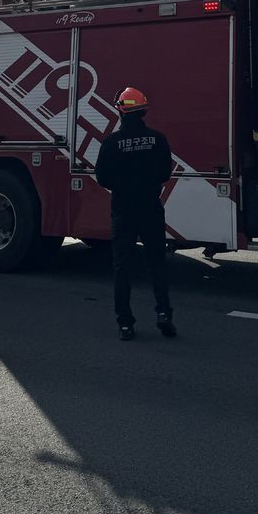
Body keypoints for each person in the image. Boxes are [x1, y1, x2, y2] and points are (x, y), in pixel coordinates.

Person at [95, 86, 176, 341]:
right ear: (143, 111)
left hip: (123, 211)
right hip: (151, 209)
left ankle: (125, 324)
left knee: (122, 268)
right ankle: (164, 314)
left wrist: (122, 186)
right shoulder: (158, 139)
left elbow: (102, 177)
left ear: (120, 111)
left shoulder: (111, 143)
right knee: (157, 264)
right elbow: (165, 173)